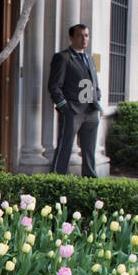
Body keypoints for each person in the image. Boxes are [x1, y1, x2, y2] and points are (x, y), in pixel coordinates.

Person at [47, 23, 102, 177]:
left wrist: (97, 96)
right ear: (71, 37)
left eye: (86, 35)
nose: (84, 39)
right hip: (72, 110)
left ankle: (90, 180)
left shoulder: (90, 58)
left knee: (89, 150)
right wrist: (65, 107)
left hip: (91, 110)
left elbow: (94, 82)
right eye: (79, 35)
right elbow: (54, 86)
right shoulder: (63, 57)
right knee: (65, 147)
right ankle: (56, 178)